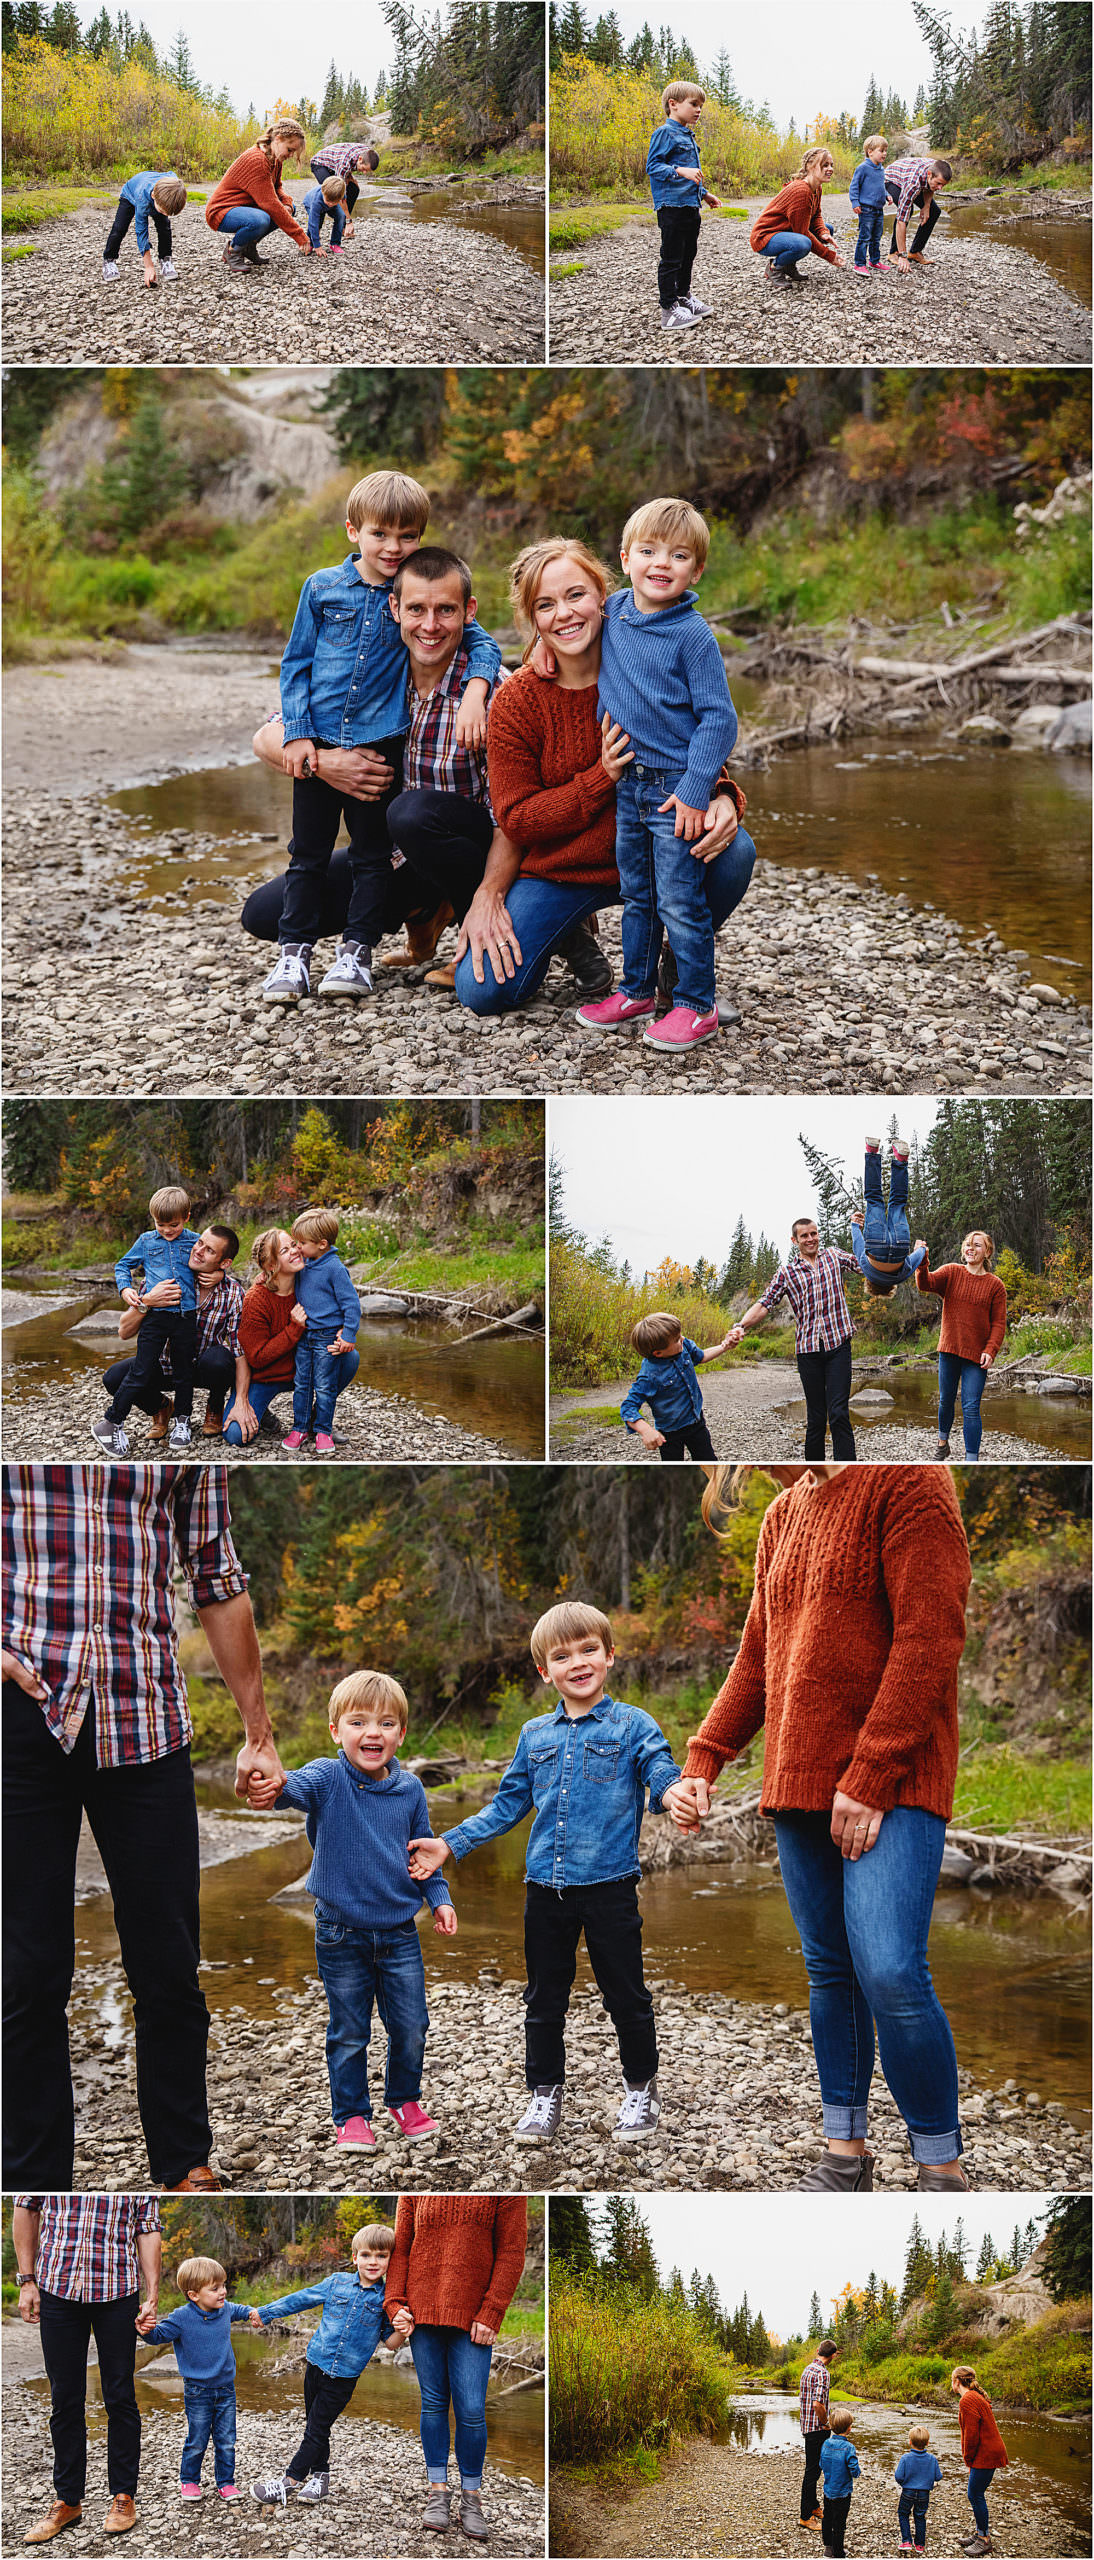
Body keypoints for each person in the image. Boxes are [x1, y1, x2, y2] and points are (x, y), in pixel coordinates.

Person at [663, 1465, 974, 2192]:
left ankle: (941, 2169)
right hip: (799, 1781)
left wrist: (868, 1777)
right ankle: (846, 2154)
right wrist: (705, 1759)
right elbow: (759, 1657)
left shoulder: (909, 1484)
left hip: (892, 1782)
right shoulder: (783, 1515)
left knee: (892, 1969)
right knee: (831, 1972)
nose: (743, 1470)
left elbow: (932, 1637)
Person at [2, 1463, 284, 2189]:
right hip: (20, 1722)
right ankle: (35, 2177)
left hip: (148, 1719)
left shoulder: (187, 1439)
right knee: (28, 1974)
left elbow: (217, 1581)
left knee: (168, 1967)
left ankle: (184, 2161)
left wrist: (259, 1731)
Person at [407, 1599, 680, 2146]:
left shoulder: (632, 1724)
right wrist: (448, 1845)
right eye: (562, 1655)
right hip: (544, 1891)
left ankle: (640, 2089)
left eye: (588, 1650)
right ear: (544, 1669)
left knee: (625, 1994)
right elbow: (507, 1805)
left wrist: (675, 1794)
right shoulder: (535, 1735)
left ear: (608, 1656)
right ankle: (544, 2094)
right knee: (544, 1998)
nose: (577, 1663)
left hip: (610, 1888)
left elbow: (660, 1769)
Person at [459, 538, 754, 1022]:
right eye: (545, 605)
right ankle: (572, 937)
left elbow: (692, 737)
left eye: (576, 595)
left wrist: (720, 793)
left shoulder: (647, 654)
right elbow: (515, 818)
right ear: (532, 618)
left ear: (604, 595)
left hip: (655, 851)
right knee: (483, 993)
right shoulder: (518, 701)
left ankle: (677, 976)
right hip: (563, 871)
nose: (565, 615)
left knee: (735, 850)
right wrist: (600, 777)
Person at [245, 546, 528, 996]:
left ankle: (475, 915)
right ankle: (426, 911)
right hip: (397, 857)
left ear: (467, 612)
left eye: (445, 611)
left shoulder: (492, 689)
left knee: (411, 813)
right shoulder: (376, 669)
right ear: (394, 609)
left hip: (474, 850)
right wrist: (325, 764)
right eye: (416, 609)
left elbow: (512, 816)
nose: (430, 626)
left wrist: (489, 896)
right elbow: (266, 737)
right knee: (262, 913)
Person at [246, 1671, 456, 2149]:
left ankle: (403, 2099)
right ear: (336, 1731)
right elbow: (286, 1789)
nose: (373, 1733)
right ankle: (351, 2115)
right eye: (358, 1722)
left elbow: (424, 1855)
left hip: (400, 1933)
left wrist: (439, 1901)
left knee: (412, 2025)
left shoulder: (409, 1791)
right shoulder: (327, 1777)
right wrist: (265, 1780)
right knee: (349, 2030)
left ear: (401, 1734)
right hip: (340, 1933)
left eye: (385, 1723)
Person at [575, 497, 740, 1054]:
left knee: (679, 901)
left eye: (678, 555)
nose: (660, 563)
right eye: (648, 551)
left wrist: (698, 791)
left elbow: (719, 719)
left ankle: (697, 1004)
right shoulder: (614, 611)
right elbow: (563, 630)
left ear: (697, 570)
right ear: (625, 557)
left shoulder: (692, 635)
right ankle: (636, 991)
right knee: (637, 895)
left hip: (674, 789)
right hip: (629, 784)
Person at [14, 2193, 161, 2544]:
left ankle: (124, 2497)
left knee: (120, 2398)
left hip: (118, 2291)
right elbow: (25, 2207)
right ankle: (68, 2501)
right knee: (65, 2400)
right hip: (57, 2289)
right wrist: (27, 2279)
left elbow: (148, 2228)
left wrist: (152, 2294)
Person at [385, 2194, 528, 2543]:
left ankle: (472, 2498)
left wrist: (493, 2311)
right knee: (433, 2404)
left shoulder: (506, 2195)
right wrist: (394, 2303)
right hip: (421, 2313)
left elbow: (511, 2252)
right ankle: (438, 2492)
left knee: (472, 2410)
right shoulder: (413, 2194)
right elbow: (401, 2250)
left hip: (474, 2317)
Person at [250, 2223, 409, 2509]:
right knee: (315, 2426)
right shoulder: (336, 2282)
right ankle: (321, 2480)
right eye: (366, 2254)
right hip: (315, 2364)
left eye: (382, 2256)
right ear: (354, 2257)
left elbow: (391, 2343)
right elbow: (301, 2299)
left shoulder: (388, 2300)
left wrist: (406, 2327)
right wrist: (266, 2313)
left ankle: (288, 2482)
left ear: (391, 2260)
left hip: (344, 2377)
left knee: (316, 2428)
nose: (373, 2262)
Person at [102, 1222, 255, 1447]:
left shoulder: (232, 1292)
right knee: (114, 1378)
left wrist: (241, 1399)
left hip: (201, 1368)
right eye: (199, 1243)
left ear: (224, 1263)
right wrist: (147, 1301)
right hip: (162, 1366)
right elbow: (124, 1332)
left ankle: (215, 1406)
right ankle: (161, 1408)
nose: (198, 1250)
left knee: (221, 1360)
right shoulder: (164, 1278)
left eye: (209, 1250)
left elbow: (238, 1350)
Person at [727, 1216, 859, 1461]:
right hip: (808, 1351)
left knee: (839, 1413)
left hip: (839, 1345)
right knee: (816, 1417)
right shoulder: (787, 1272)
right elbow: (765, 1303)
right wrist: (741, 1325)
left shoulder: (834, 1256)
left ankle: (848, 1472)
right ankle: (814, 1476)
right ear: (795, 1240)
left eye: (814, 1234)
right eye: (804, 1236)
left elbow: (866, 1264)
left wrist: (863, 1229)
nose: (811, 1239)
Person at [136, 2255, 255, 2503]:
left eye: (223, 2285)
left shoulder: (225, 2310)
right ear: (193, 2295)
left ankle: (226, 2483)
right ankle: (189, 2481)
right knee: (198, 2439)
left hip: (226, 2390)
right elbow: (159, 2336)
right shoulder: (182, 2317)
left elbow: (240, 2310)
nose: (223, 2292)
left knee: (226, 2440)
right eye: (215, 2288)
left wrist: (253, 2313)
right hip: (198, 2390)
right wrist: (146, 2331)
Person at [94, 1185, 199, 1456]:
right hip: (155, 1316)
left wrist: (217, 1275)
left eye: (173, 1224)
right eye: (160, 1224)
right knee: (140, 1370)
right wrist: (125, 1288)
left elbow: (213, 1262)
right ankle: (110, 1422)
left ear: (187, 1216)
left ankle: (182, 1422)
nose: (166, 1230)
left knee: (184, 1372)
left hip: (186, 1316)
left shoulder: (195, 1241)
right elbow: (122, 1265)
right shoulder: (146, 1241)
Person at [915, 1231, 1007, 1463]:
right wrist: (922, 1259)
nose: (971, 1248)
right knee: (946, 1400)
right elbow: (925, 1284)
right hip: (949, 1350)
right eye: (968, 1244)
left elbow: (998, 1323)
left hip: (977, 1357)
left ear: (987, 1252)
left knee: (971, 1407)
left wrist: (991, 1349)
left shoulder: (995, 1286)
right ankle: (942, 1443)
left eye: (977, 1245)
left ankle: (971, 1459)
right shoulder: (952, 1272)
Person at [282, 1206, 361, 1455]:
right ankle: (300, 1427)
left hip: (328, 1337)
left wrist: (348, 1334)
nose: (297, 1248)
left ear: (322, 1244)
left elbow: (352, 1305)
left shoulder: (335, 1269)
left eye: (302, 1243)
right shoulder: (304, 1262)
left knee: (325, 1386)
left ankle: (323, 1431)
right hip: (305, 1336)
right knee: (302, 1384)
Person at [645, 78, 720, 334]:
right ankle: (668, 309)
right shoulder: (665, 133)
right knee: (672, 257)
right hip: (671, 206)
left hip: (690, 205)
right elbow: (653, 166)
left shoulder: (688, 135)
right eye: (694, 104)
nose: (699, 110)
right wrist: (680, 170)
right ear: (673, 104)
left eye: (701, 106)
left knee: (688, 254)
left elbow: (693, 176)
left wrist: (705, 194)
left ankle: (683, 296)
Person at [223, 1227, 305, 1445]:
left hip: (302, 1374)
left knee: (348, 1358)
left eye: (294, 1245)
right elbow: (256, 1357)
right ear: (271, 1266)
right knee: (235, 1436)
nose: (295, 1251)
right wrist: (294, 1329)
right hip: (263, 1378)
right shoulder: (256, 1299)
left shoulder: (308, 1283)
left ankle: (317, 1420)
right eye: (285, 1250)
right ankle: (263, 1413)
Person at [621, 1309, 735, 1460]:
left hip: (696, 1422)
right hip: (669, 1433)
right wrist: (645, 1430)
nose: (682, 1339)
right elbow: (628, 1407)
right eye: (676, 1339)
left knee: (709, 1460)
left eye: (680, 1334)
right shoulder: (649, 1376)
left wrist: (725, 1346)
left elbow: (702, 1356)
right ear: (658, 1353)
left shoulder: (683, 1346)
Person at [204, 119, 313, 274]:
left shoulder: (275, 159)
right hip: (221, 212)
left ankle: (248, 247)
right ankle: (232, 251)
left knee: (289, 209)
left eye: (293, 152)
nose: (291, 155)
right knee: (260, 220)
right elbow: (269, 203)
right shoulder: (257, 160)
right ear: (278, 138)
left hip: (244, 207)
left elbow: (277, 188)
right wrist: (300, 236)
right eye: (290, 149)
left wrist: (287, 203)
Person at [750, 147, 844, 288]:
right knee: (803, 243)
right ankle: (774, 268)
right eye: (825, 165)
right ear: (809, 167)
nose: (830, 169)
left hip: (785, 231)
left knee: (827, 229)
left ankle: (788, 265)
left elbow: (816, 214)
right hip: (765, 237)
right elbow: (802, 232)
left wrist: (823, 232)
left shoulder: (816, 187)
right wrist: (829, 256)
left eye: (831, 165)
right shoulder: (801, 191)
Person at [849, 1135, 926, 1295]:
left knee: (898, 1202)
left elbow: (918, 1256)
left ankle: (901, 1160)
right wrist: (855, 1225)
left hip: (901, 1244)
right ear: (870, 1284)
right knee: (874, 1198)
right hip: (875, 1246)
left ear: (891, 1288)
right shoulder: (867, 1270)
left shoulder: (902, 1276)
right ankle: (872, 1151)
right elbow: (858, 1245)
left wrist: (921, 1248)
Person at [952, 2365, 1008, 2555]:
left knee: (975, 2494)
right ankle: (979, 2533)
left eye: (952, 2380)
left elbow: (972, 2434)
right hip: (988, 2451)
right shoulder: (974, 2396)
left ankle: (984, 2540)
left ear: (957, 2381)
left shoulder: (967, 2399)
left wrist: (968, 2457)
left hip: (985, 2453)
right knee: (976, 2493)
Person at [102, 170, 186, 285]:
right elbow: (141, 231)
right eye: (163, 211)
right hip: (130, 195)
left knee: (164, 227)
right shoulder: (143, 200)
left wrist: (163, 210)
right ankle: (109, 260)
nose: (166, 214)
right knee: (119, 228)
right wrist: (149, 266)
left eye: (169, 213)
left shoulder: (175, 185)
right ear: (153, 196)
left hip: (153, 195)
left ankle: (165, 259)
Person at [884, 154, 953, 269]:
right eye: (939, 183)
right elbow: (901, 220)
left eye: (943, 185)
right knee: (907, 211)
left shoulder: (936, 169)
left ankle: (915, 252)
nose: (940, 188)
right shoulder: (913, 183)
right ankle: (895, 252)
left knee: (934, 211)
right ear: (929, 175)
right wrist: (903, 255)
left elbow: (929, 187)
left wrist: (926, 206)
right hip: (892, 180)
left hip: (912, 176)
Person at [798, 2338, 836, 2532]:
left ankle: (813, 2505)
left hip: (806, 2426)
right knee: (812, 2472)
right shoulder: (823, 2373)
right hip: (816, 2429)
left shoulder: (808, 2369)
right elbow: (817, 2404)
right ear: (832, 2355)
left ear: (818, 2351)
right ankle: (805, 2517)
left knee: (813, 2469)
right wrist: (825, 2423)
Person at [895, 2423, 943, 2553]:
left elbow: (898, 2476)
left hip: (908, 2492)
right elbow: (938, 2477)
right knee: (920, 2516)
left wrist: (904, 2482)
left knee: (903, 2514)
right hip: (924, 2494)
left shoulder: (905, 2458)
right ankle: (920, 2545)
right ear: (927, 2443)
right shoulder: (932, 2459)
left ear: (910, 2442)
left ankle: (906, 2541)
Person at [308, 140, 378, 226]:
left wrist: (350, 177)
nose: (364, 172)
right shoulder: (344, 164)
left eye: (367, 170)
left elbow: (352, 164)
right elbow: (340, 194)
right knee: (330, 191)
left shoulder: (369, 154)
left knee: (354, 188)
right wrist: (349, 219)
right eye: (363, 169)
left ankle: (342, 225)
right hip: (320, 164)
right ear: (360, 159)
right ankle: (318, 227)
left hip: (335, 165)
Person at [819, 2410, 860, 2557]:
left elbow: (821, 2463)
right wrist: (857, 2472)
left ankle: (828, 2547)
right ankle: (838, 2552)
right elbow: (853, 2468)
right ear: (849, 2428)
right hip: (842, 2493)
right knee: (839, 2524)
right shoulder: (849, 2448)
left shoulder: (826, 2443)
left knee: (827, 2518)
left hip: (828, 2490)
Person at [848, 134, 888, 273]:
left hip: (879, 209)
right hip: (866, 209)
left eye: (885, 151)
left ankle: (874, 261)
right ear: (870, 151)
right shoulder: (863, 168)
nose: (884, 154)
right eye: (881, 150)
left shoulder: (881, 169)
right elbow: (854, 186)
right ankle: (859, 264)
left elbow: (881, 186)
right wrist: (855, 202)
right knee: (865, 237)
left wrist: (887, 195)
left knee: (877, 237)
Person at [305, 172, 347, 253]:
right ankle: (310, 243)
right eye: (328, 200)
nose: (330, 204)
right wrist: (317, 246)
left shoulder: (340, 195)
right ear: (323, 192)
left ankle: (335, 243)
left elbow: (343, 204)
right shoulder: (316, 201)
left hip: (327, 203)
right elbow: (312, 223)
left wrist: (346, 223)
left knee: (341, 216)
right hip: (309, 203)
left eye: (334, 202)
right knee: (317, 221)